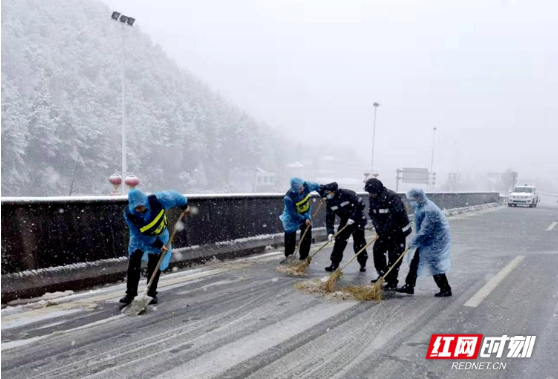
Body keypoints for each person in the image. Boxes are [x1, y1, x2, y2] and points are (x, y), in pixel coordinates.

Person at [120, 188, 189, 305]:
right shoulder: (129, 215)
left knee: (154, 264)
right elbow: (139, 233)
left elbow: (175, 196)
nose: (140, 210)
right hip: (139, 239)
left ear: (145, 201)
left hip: (160, 234)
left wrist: (184, 205)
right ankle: (130, 294)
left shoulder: (159, 200)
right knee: (134, 264)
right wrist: (157, 244)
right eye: (136, 208)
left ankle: (151, 294)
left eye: (141, 206)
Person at [397, 188, 452, 297]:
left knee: (434, 263)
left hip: (435, 240)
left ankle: (445, 288)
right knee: (416, 261)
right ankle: (409, 286)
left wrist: (414, 241)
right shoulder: (421, 206)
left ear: (419, 197)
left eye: (412, 199)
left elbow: (426, 230)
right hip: (428, 239)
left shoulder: (428, 209)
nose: (411, 201)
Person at [365, 178, 412, 290]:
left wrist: (384, 229)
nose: (370, 195)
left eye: (372, 192)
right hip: (383, 231)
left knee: (394, 256)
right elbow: (372, 214)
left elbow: (395, 216)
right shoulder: (372, 198)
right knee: (378, 251)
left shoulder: (393, 197)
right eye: (369, 193)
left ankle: (392, 280)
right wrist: (378, 228)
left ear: (378, 190)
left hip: (398, 231)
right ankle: (383, 275)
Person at [320, 182, 369, 272]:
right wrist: (330, 232)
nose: (327, 195)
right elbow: (329, 218)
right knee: (339, 241)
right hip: (345, 221)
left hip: (357, 219)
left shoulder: (347, 194)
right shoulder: (330, 201)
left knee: (359, 243)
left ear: (334, 191)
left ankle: (363, 263)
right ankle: (334, 263)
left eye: (328, 193)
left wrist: (353, 217)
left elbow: (360, 205)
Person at [279, 177, 322, 262]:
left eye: (301, 188)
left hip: (305, 213)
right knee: (290, 236)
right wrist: (303, 219)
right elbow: (293, 213)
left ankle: (304, 256)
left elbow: (318, 187)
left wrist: (323, 195)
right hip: (291, 217)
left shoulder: (308, 185)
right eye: (298, 190)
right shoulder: (288, 197)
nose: (300, 191)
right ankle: (289, 257)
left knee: (306, 233)